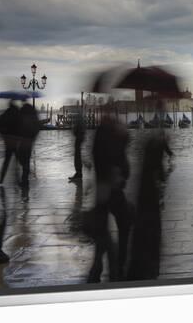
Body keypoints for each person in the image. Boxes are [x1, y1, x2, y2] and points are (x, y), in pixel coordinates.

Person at [87, 115, 133, 283]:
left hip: (103, 192)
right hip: (111, 193)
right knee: (122, 225)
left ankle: (98, 268)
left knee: (103, 232)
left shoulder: (101, 135)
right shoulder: (112, 141)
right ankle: (117, 267)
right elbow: (124, 169)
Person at [127, 129, 173, 281]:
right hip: (150, 197)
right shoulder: (157, 149)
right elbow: (159, 168)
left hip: (146, 195)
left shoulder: (151, 151)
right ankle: (151, 266)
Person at [0, 100, 20, 184]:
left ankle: (1, 179)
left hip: (8, 140)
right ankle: (18, 178)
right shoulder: (17, 113)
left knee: (7, 160)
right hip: (16, 140)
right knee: (18, 160)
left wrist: (3, 132)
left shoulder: (7, 113)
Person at [17, 103, 41, 189]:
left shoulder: (24, 117)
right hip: (29, 141)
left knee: (22, 159)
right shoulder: (33, 116)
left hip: (24, 141)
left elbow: (20, 128)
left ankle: (25, 181)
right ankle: (25, 180)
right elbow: (37, 128)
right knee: (25, 160)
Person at [68, 112, 86, 182]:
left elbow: (76, 129)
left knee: (77, 155)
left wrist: (75, 132)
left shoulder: (79, 119)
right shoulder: (81, 119)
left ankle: (79, 173)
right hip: (79, 137)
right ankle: (79, 173)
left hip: (79, 138)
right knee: (77, 155)